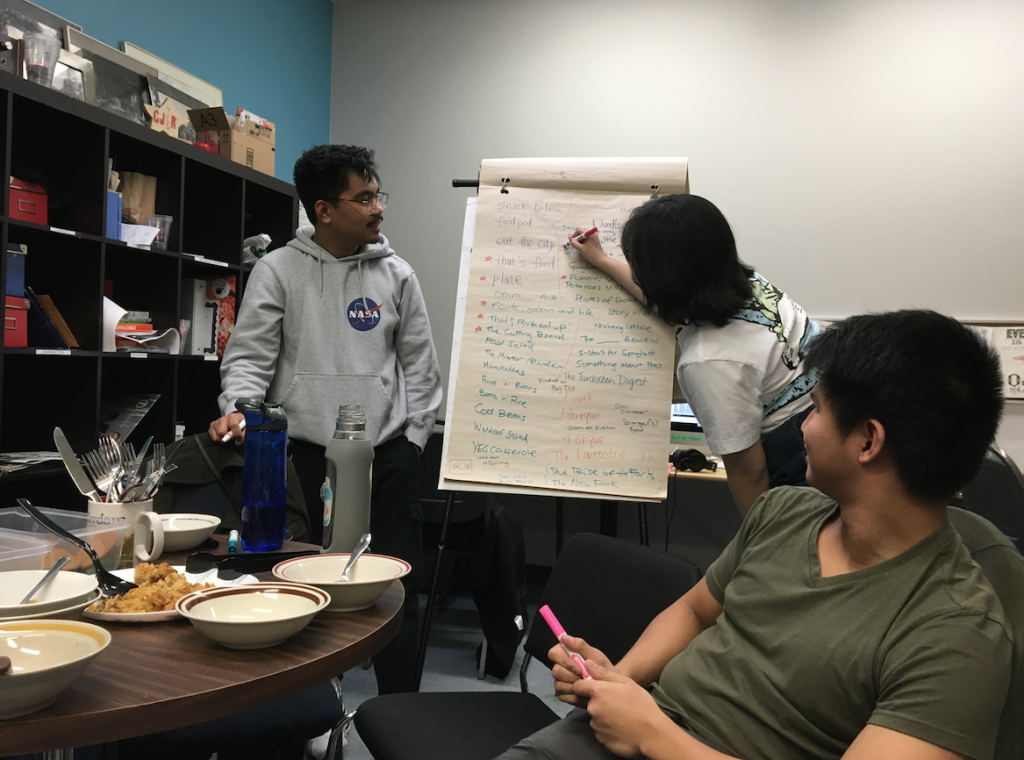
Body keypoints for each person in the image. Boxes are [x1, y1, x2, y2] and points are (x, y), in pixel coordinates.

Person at [496, 309, 1011, 760]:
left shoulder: (957, 633)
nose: (804, 426)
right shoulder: (784, 512)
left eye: (818, 409)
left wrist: (652, 734)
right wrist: (618, 683)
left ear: (868, 440)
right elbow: (695, 611)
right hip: (632, 732)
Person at [210, 144, 443, 694]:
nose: (377, 207)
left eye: (376, 194)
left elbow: (422, 369)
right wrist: (238, 412)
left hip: (383, 458)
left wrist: (411, 442)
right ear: (324, 209)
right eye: (362, 197)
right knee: (298, 587)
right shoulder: (278, 270)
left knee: (394, 590)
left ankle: (401, 710)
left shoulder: (397, 274)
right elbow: (248, 359)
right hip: (301, 458)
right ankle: (306, 708)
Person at [568, 195, 817, 514]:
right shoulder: (748, 285)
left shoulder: (707, 361)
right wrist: (603, 260)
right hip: (840, 406)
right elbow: (673, 303)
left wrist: (756, 544)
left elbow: (748, 471)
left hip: (802, 456)